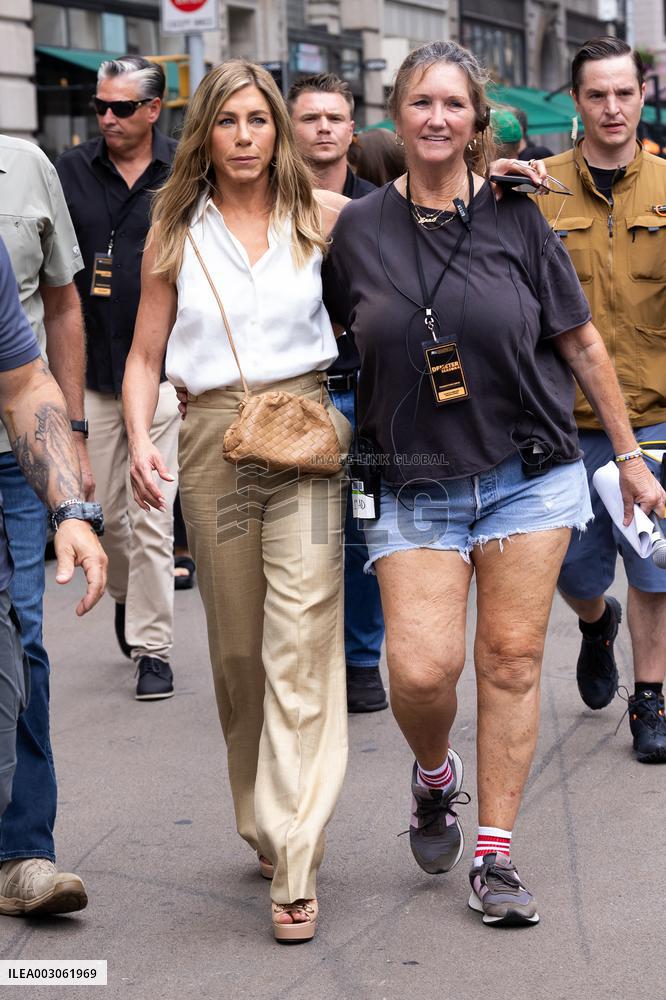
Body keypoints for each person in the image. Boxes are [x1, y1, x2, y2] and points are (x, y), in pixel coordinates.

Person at [322, 39, 664, 927]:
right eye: (420, 104)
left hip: (530, 471)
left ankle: (497, 855)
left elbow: (581, 342)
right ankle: (435, 775)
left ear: (477, 122)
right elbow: (337, 341)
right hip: (415, 478)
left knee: (511, 661)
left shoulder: (517, 212)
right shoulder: (357, 229)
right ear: (395, 118)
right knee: (422, 670)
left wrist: (628, 457)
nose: (438, 119)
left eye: (454, 105)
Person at [124, 59, 353, 943]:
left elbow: (425, 218)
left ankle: (294, 857)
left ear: (280, 130)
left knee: (302, 637)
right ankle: (263, 812)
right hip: (214, 440)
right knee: (240, 651)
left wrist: (503, 179)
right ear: (206, 133)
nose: (248, 136)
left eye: (262, 120)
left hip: (302, 434)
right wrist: (141, 440)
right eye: (231, 121)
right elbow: (145, 356)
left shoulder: (322, 215)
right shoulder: (175, 227)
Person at [536, 37, 666, 763]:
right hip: (564, 425)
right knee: (573, 573)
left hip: (655, 416)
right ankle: (594, 623)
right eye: (597, 95)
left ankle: (649, 699)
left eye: (624, 93)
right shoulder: (537, 189)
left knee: (656, 567)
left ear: (642, 96)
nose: (612, 108)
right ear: (577, 102)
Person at [56, 56, 180, 701]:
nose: (108, 116)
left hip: (162, 376)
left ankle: (154, 649)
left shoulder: (186, 172)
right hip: (89, 375)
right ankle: (128, 599)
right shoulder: (68, 171)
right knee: (111, 520)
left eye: (123, 107)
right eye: (100, 106)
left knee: (153, 519)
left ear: (154, 110)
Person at [0, 133, 94, 916]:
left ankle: (22, 847)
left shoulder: (25, 169)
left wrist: (69, 502)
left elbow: (26, 376)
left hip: (9, 461)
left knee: (16, 637)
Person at [287, 73, 387, 713]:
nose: (323, 127)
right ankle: (304, 662)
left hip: (368, 393)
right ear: (289, 128)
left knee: (363, 533)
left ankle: (360, 660)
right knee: (299, 539)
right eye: (309, 118)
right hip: (293, 398)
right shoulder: (261, 204)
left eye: (334, 117)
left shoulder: (382, 208)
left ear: (352, 130)